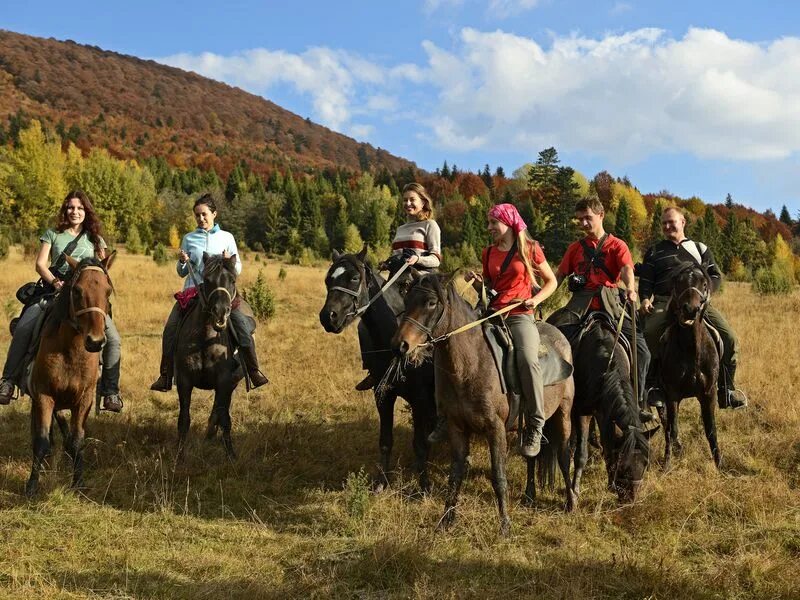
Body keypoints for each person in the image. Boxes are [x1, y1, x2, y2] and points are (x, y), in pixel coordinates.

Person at [0, 190, 123, 411]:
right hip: (55, 291)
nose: (75, 212)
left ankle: (110, 392)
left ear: (86, 211)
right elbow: (40, 264)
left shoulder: (96, 239)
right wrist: (56, 283)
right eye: (71, 207)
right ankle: (8, 380)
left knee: (113, 339)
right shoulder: (53, 234)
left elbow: (104, 270)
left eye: (79, 208)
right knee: (25, 327)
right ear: (65, 210)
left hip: (85, 298)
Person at [462, 203, 558, 457]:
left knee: (527, 359)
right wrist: (479, 284)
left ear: (508, 222)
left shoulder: (530, 249)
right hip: (492, 313)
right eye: (489, 223)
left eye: (494, 222)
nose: (490, 228)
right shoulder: (488, 253)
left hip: (519, 315)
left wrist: (536, 301)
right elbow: (492, 288)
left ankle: (536, 424)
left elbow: (552, 281)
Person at [150, 194, 268, 392]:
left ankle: (253, 370)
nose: (201, 219)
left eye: (204, 214)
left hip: (221, 295)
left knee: (242, 326)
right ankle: (166, 374)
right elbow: (181, 273)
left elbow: (237, 269)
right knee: (170, 329)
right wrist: (182, 261)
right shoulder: (188, 238)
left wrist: (229, 261)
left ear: (214, 214)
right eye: (197, 216)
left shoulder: (227, 238)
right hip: (193, 294)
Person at [553, 195, 652, 422]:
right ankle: (556, 398)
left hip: (611, 303)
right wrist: (541, 292)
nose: (584, 224)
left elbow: (627, 268)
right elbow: (559, 276)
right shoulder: (575, 248)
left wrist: (630, 287)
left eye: (588, 218)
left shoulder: (617, 245)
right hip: (579, 305)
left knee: (642, 352)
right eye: (579, 220)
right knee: (550, 340)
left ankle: (637, 402)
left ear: (601, 215)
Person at [638, 206, 746, 410]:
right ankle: (653, 387)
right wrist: (645, 299)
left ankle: (726, 390)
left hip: (699, 304)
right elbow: (646, 280)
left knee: (730, 338)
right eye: (664, 223)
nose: (667, 226)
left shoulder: (700, 249)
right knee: (650, 333)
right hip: (666, 302)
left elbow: (714, 275)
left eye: (672, 222)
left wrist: (706, 296)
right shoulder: (654, 251)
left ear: (683, 222)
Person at [354, 182, 441, 391]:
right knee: (365, 322)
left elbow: (436, 259)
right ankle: (375, 370)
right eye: (405, 200)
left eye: (412, 199)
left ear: (423, 202)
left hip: (420, 283)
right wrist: (388, 261)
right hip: (395, 282)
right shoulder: (401, 229)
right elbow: (397, 255)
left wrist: (417, 258)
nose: (408, 203)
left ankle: (434, 372)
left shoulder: (431, 225)